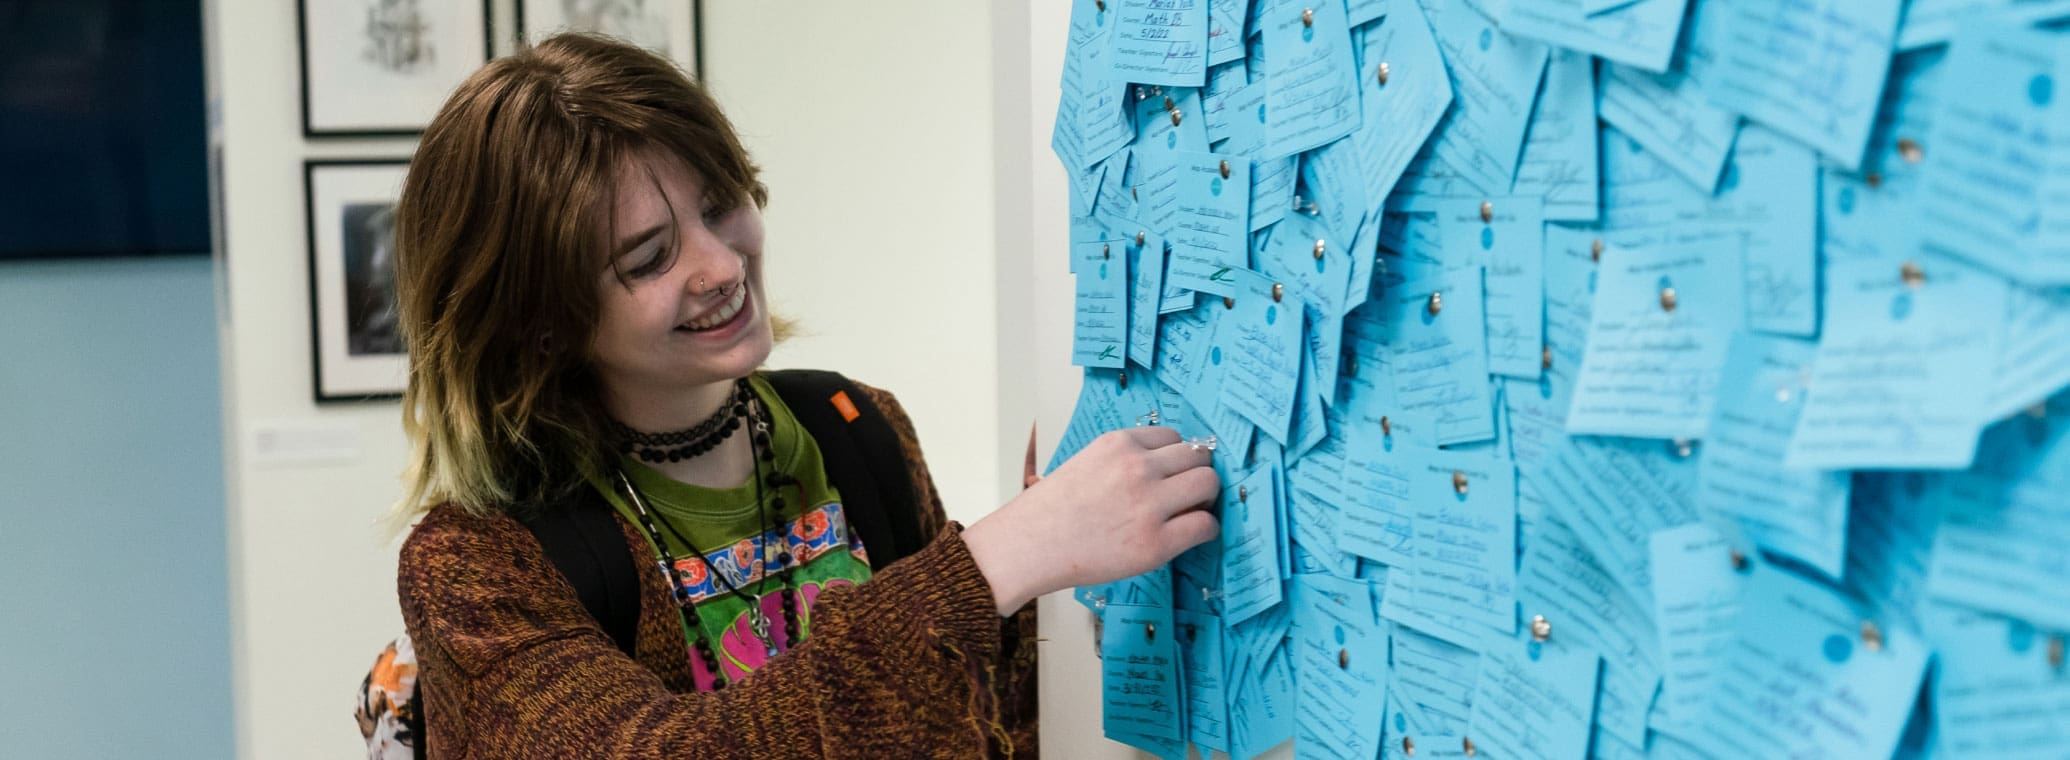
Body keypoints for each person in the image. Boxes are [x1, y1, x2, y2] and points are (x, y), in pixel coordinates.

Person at [388, 33, 1220, 758]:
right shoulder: (471, 565)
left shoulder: (855, 425)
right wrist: (1000, 558)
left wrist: (1062, 579)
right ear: (540, 320)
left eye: (721, 206)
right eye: (648, 259)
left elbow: (987, 721)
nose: (720, 266)